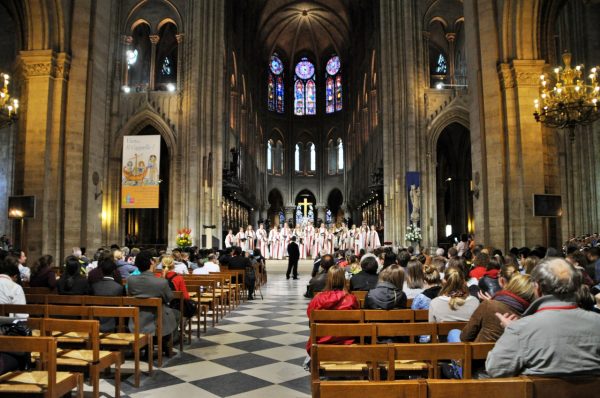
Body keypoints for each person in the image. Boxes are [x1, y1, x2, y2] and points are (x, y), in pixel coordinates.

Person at [486, 258, 600, 377]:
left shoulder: (521, 329)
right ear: (576, 287)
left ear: (538, 288)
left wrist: (513, 331)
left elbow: (495, 369)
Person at [461, 274, 536, 343]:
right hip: (508, 356)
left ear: (511, 285)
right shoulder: (533, 317)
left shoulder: (489, 305)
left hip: (479, 356)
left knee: (454, 332)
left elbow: (465, 337)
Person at [127, 251, 179, 346]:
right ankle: (167, 343)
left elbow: (130, 295)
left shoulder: (130, 280)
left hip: (137, 320)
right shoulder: (160, 282)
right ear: (151, 262)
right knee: (177, 314)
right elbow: (169, 298)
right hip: (157, 320)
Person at [305, 265, 360, 353]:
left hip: (322, 342)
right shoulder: (351, 299)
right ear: (343, 280)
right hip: (347, 341)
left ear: (329, 280)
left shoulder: (318, 298)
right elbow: (357, 318)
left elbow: (310, 317)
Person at [90, 257, 126, 332]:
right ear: (113, 272)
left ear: (102, 272)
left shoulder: (94, 286)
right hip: (113, 322)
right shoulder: (119, 288)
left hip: (97, 320)